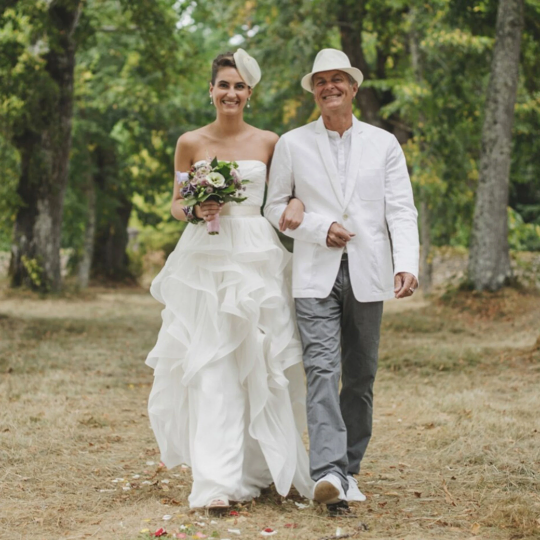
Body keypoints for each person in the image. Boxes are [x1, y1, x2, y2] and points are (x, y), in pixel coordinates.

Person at [145, 49, 312, 509]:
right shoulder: (190, 142)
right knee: (214, 363)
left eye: (239, 86)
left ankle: (261, 469)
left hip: (258, 255)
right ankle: (217, 482)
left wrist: (297, 204)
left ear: (249, 94)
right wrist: (195, 209)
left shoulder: (270, 142)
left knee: (263, 362)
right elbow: (177, 203)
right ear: (211, 90)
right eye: (224, 85)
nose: (231, 93)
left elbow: (288, 194)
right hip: (207, 259)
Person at [265, 48, 420, 516]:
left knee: (360, 377)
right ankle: (328, 472)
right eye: (320, 81)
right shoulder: (292, 144)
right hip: (315, 274)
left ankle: (349, 471)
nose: (329, 86)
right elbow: (275, 208)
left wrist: (406, 261)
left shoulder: (384, 143)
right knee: (322, 371)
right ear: (314, 91)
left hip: (369, 273)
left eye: (337, 79)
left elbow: (400, 209)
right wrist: (316, 228)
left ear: (353, 87)